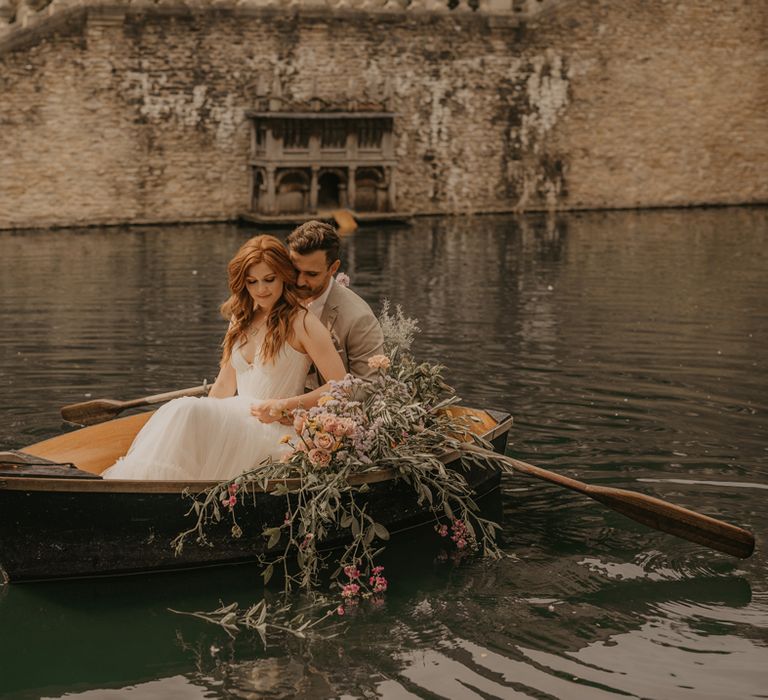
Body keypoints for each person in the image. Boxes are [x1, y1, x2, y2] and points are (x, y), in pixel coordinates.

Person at [101, 235, 347, 481]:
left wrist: (283, 405)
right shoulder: (241, 319)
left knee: (184, 409)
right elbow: (224, 386)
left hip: (274, 429)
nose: (261, 290)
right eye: (252, 282)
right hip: (238, 418)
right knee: (185, 410)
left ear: (284, 275)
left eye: (269, 280)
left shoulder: (302, 322)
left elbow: (341, 388)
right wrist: (206, 419)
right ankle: (145, 488)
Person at [286, 220, 384, 388]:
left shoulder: (358, 320)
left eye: (311, 274)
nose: (300, 281)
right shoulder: (278, 297)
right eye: (295, 270)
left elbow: (369, 388)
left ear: (333, 268)